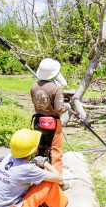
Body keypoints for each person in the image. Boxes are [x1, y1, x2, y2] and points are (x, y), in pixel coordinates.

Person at [0, 129, 68, 207]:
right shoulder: (27, 169)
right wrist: (44, 163)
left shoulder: (8, 157)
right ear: (34, 149)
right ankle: (61, 204)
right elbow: (59, 178)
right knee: (50, 183)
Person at [30, 58, 70, 190]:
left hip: (38, 122)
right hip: (53, 123)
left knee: (40, 150)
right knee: (55, 153)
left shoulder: (34, 86)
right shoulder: (56, 88)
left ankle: (37, 180)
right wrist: (67, 107)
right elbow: (59, 109)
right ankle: (59, 183)